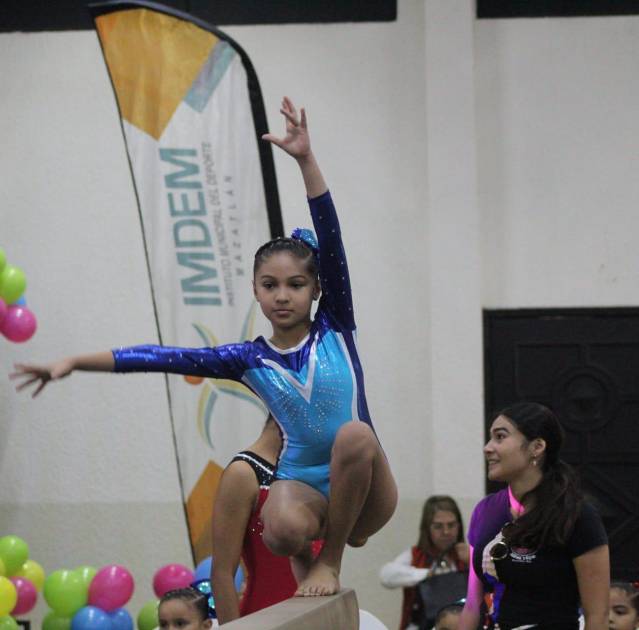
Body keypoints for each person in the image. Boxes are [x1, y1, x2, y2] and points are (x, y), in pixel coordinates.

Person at [11, 96, 398, 598]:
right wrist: (73, 362)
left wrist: (305, 159)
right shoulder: (248, 359)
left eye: (296, 284)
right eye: (270, 285)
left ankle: (331, 560)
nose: (283, 295)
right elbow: (161, 357)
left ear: (317, 288)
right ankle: (308, 547)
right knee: (277, 532)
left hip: (366, 489)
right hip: (304, 484)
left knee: (354, 435)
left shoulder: (336, 325)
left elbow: (330, 229)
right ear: (255, 289)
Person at [458, 402, 609, 630]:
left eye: (500, 437)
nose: (487, 448)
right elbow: (472, 605)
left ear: (536, 447)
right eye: (490, 438)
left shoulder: (577, 515)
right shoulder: (485, 510)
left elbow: (597, 615)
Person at [211, 415, 298, 624]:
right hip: (265, 618)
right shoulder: (243, 473)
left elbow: (358, 538)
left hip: (317, 615)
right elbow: (222, 574)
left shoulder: (309, 471)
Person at [380, 495, 469, 630]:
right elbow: (386, 576)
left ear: (459, 526)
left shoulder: (466, 555)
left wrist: (473, 561)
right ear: (427, 529)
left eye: (451, 525)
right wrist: (426, 574)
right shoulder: (416, 556)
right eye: (438, 526)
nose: (446, 532)